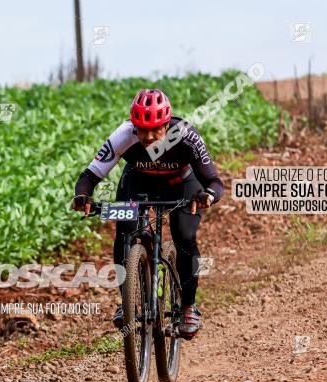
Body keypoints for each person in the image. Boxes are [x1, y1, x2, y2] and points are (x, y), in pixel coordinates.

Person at [72, 89, 223, 339]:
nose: (149, 137)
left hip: (182, 184)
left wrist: (207, 195)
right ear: (133, 125)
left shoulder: (186, 135)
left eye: (156, 130)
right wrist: (84, 196)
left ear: (167, 124)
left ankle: (188, 306)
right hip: (138, 183)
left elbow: (214, 181)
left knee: (184, 236)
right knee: (125, 233)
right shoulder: (123, 134)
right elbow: (90, 175)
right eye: (142, 130)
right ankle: (128, 302)